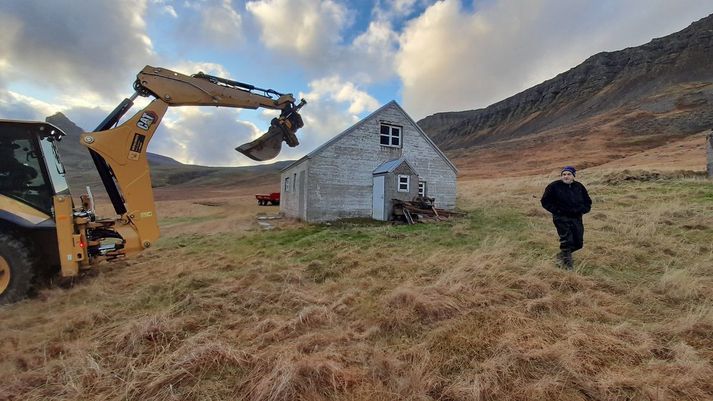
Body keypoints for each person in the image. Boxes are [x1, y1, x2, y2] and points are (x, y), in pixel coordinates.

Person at [540, 166, 592, 270]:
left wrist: (583, 209)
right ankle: (568, 266)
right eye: (564, 174)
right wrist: (558, 211)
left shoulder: (579, 186)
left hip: (577, 218)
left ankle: (561, 256)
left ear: (573, 176)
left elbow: (587, 201)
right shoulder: (554, 186)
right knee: (567, 241)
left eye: (568, 174)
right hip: (561, 218)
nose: (566, 176)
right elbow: (545, 201)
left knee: (578, 243)